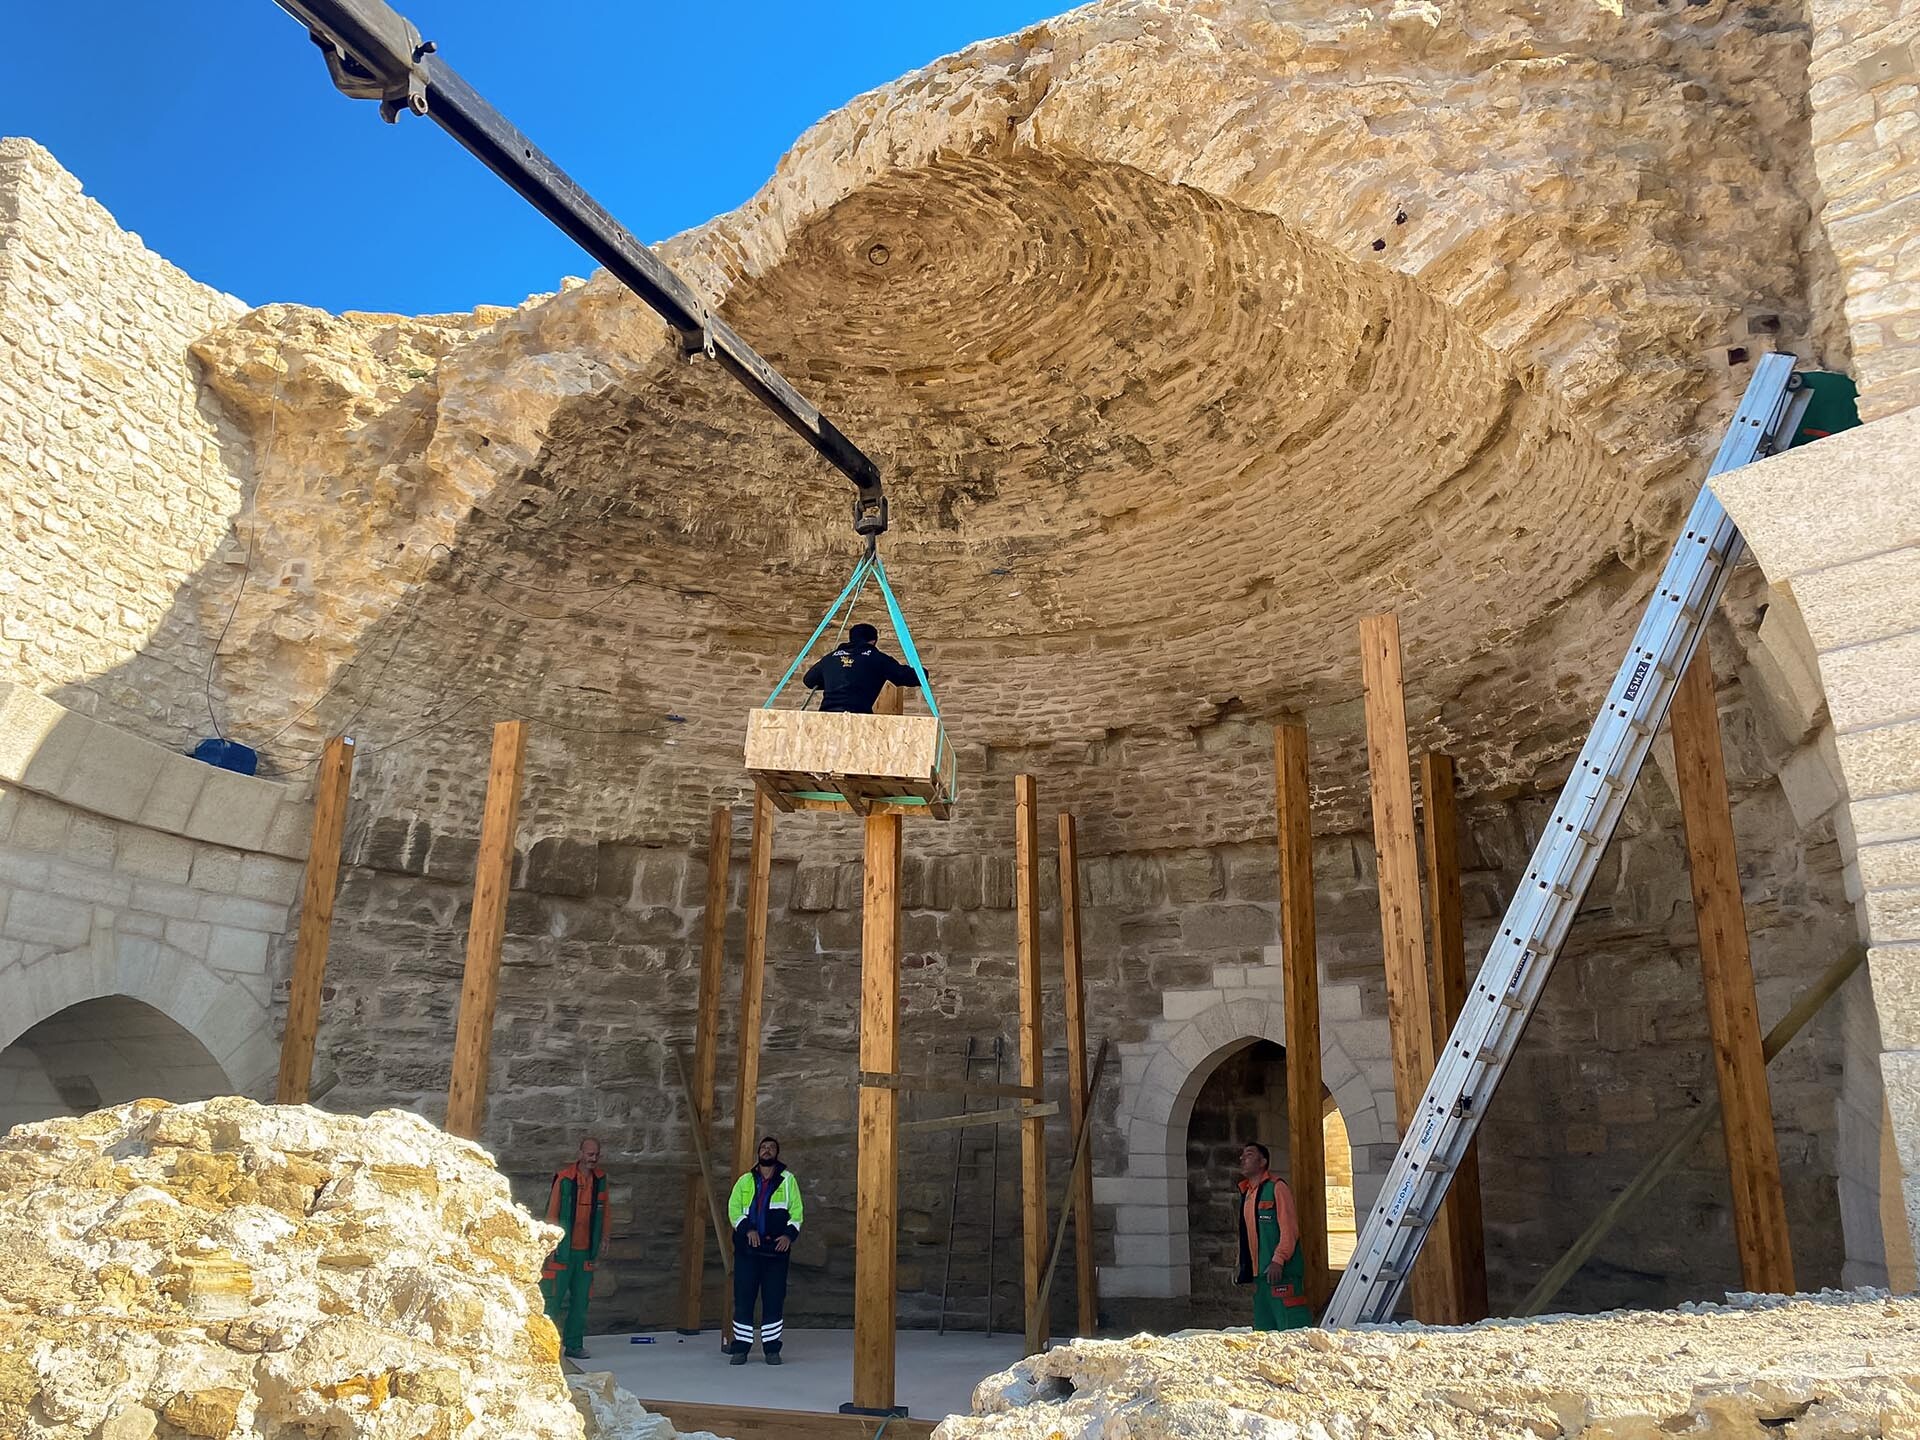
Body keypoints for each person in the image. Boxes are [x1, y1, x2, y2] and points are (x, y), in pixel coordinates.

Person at [727, 1135, 805, 1364]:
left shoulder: (788, 1181)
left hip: (775, 1253)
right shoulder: (744, 1181)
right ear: (758, 1153)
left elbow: (797, 1212)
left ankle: (772, 1349)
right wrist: (747, 1230)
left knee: (774, 1299)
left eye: (771, 1147)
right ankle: (741, 1348)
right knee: (743, 1298)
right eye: (763, 1147)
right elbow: (734, 1210)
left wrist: (789, 1236)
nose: (767, 1150)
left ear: (777, 1153)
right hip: (748, 1251)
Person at [542, 1137, 609, 1359]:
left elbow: (605, 1211)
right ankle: (543, 1346)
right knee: (552, 1299)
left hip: (585, 1252)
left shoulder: (601, 1180)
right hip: (562, 1251)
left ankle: (574, 1344)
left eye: (596, 1154)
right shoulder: (564, 1179)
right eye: (590, 1154)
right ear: (580, 1153)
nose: (593, 1158)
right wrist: (550, 1243)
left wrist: (605, 1237)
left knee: (581, 1301)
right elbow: (552, 1211)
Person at [1236, 1141, 1311, 1331]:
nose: (1242, 1158)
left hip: (1281, 1273)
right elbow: (1249, 1235)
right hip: (1261, 1277)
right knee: (1264, 1331)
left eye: (1249, 1155)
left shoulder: (1277, 1188)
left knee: (1291, 1328)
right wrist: (1243, 1264)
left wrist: (1278, 1259)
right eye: (1243, 1155)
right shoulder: (1247, 1194)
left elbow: (1289, 1229)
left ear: (1263, 1162)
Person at [801, 623, 923, 714]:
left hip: (826, 717)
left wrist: (833, 679)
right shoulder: (877, 658)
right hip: (859, 718)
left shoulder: (830, 658)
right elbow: (906, 676)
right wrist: (924, 672)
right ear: (874, 641)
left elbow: (809, 680)